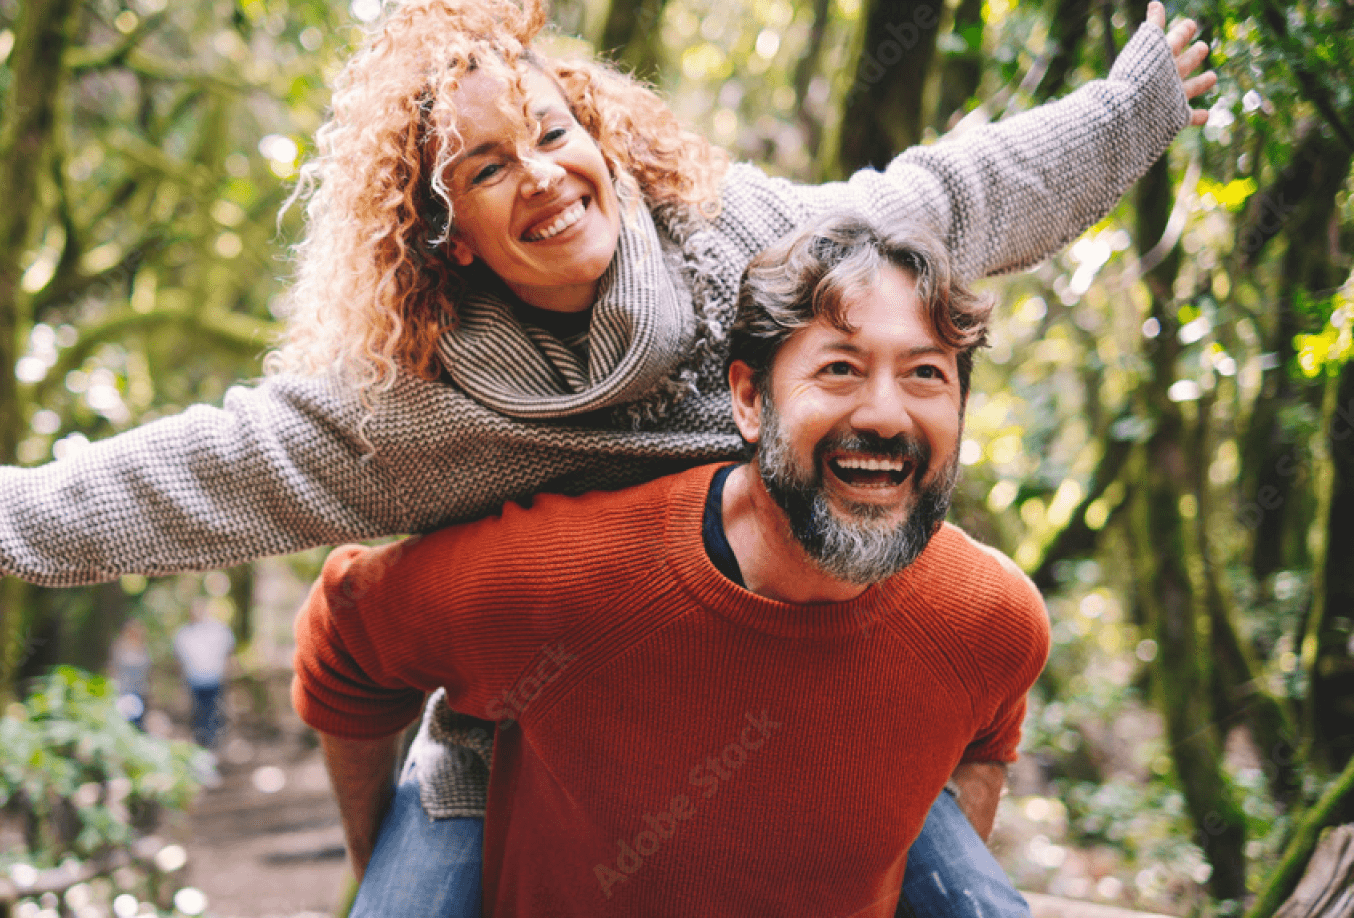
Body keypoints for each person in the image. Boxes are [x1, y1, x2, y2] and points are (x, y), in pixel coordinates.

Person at [0, 0, 1213, 911]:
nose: (539, 174)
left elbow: (950, 200)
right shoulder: (419, 406)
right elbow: (208, 470)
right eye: (485, 167)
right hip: (529, 727)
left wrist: (1130, 107)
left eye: (549, 129)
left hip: (802, 684)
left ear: (597, 131)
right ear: (449, 235)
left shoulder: (745, 245)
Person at [294, 212, 1051, 916]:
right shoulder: (569, 581)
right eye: (840, 370)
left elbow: (987, 736)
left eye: (926, 374)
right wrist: (382, 868)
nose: (886, 415)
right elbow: (347, 632)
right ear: (751, 401)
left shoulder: (992, 619)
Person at [173, 600, 236, 751]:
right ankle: (201, 743)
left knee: (213, 711)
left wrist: (228, 673)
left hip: (214, 679)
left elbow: (228, 654)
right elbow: (179, 661)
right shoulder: (184, 634)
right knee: (198, 712)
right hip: (194, 681)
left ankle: (212, 744)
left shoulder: (218, 630)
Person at [109, 618, 152, 730]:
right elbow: (113, 669)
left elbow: (147, 671)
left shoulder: (143, 648)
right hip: (123, 691)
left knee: (137, 725)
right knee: (124, 725)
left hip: (140, 692)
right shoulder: (119, 648)